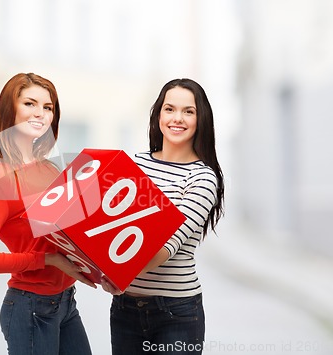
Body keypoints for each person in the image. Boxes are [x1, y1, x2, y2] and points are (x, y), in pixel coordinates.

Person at [0, 73, 95, 355]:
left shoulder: (50, 169)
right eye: (30, 104)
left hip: (66, 304)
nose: (40, 114)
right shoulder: (1, 178)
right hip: (30, 308)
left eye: (48, 107)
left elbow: (68, 235)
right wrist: (47, 259)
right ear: (9, 110)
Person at [102, 78, 225, 354]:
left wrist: (118, 270)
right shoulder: (134, 163)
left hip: (176, 313)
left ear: (200, 119)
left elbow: (165, 246)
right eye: (169, 109)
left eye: (188, 111)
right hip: (125, 311)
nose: (177, 118)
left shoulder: (202, 178)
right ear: (159, 114)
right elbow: (108, 228)